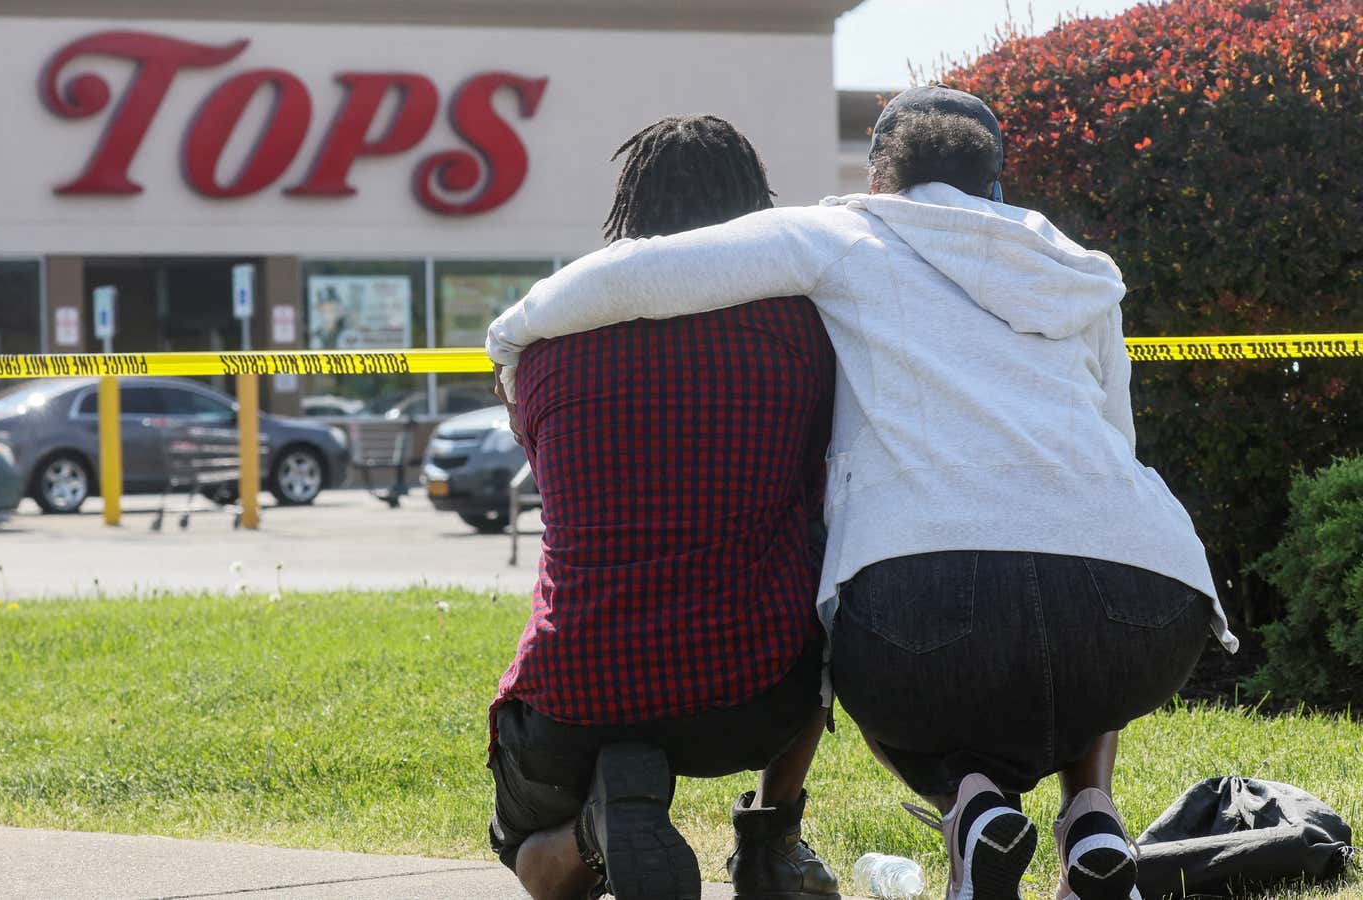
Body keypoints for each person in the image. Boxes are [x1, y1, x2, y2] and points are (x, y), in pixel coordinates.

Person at [488, 86, 1239, 900]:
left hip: (909, 605)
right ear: (994, 181)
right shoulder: (1079, 268)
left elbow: (647, 273)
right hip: (1151, 608)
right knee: (1070, 566)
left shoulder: (845, 232)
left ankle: (971, 808)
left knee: (886, 650)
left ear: (878, 176)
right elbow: (1114, 441)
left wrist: (510, 337)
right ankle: (1087, 813)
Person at [486, 115, 842, 900]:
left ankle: (591, 831)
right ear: (754, 207)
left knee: (525, 852)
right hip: (749, 692)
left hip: (577, 690)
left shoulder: (542, 343)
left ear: (629, 209)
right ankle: (772, 834)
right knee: (833, 540)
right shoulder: (802, 333)